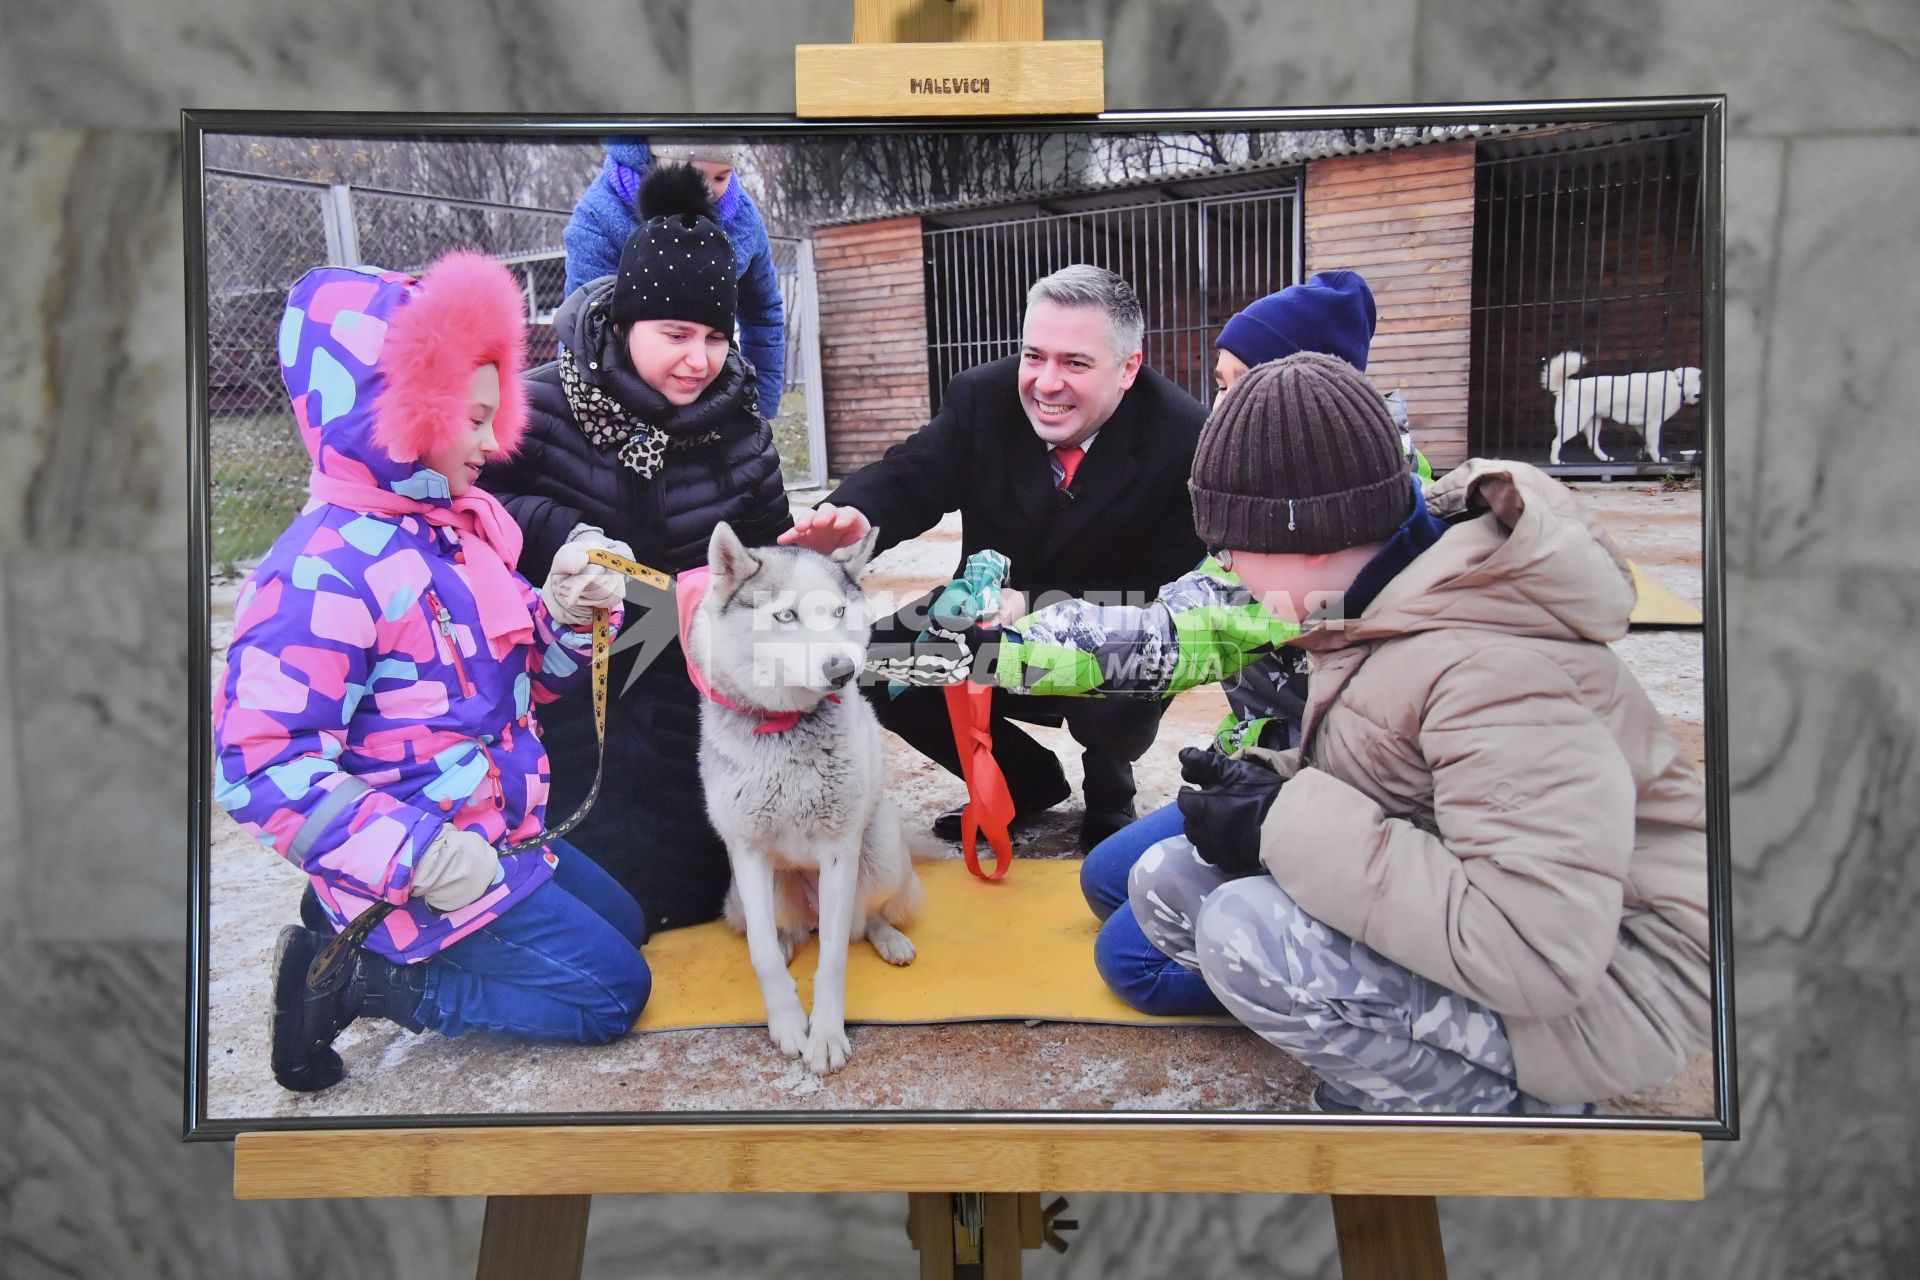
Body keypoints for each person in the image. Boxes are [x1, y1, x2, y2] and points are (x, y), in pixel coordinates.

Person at [1129, 352, 1711, 1113]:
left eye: (1232, 547)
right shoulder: (1379, 596)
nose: (1227, 568)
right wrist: (1273, 786)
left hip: (1612, 990)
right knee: (1170, 882)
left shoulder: (1491, 670)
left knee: (1247, 931)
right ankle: (1381, 1038)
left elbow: (1539, 951)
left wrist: (1285, 822)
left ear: (1307, 538)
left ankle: (1508, 1105)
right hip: (1502, 929)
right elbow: (1405, 784)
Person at [213, 252, 651, 1093]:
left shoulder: (449, 535)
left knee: (627, 927)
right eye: (473, 419)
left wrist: (565, 616)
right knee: (610, 995)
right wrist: (421, 859)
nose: (493, 443)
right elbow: (261, 769)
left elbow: (533, 681)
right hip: (432, 862)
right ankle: (370, 979)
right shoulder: (319, 575)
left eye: (496, 415)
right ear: (396, 411)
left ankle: (346, 920)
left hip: (493, 833)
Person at [784, 264, 1208, 852]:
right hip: (981, 617)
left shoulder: (1183, 437)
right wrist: (854, 517)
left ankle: (1111, 788)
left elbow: (1170, 601)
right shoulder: (982, 397)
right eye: (1034, 356)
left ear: (1128, 368)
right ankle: (1023, 782)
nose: (1046, 382)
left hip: (1108, 628)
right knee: (873, 667)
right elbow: (911, 475)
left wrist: (1037, 609)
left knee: (1121, 694)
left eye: (1075, 363)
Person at [481, 163, 792, 932]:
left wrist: (796, 563)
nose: (700, 359)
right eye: (676, 334)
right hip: (573, 681)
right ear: (624, 321)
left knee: (701, 892)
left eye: (717, 336)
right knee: (624, 901)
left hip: (689, 678)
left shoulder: (743, 429)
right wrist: (566, 537)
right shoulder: (542, 405)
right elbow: (476, 505)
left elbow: (766, 561)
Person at [564, 138, 786, 422]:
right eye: (696, 176)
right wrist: (598, 416)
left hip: (711, 396)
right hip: (622, 405)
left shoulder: (744, 220)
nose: (709, 192)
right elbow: (583, 328)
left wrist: (759, 407)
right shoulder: (600, 216)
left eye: (722, 177)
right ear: (656, 159)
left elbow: (763, 312)